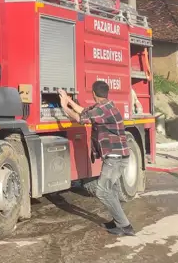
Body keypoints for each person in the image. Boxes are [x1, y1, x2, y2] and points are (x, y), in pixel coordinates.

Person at [58, 81, 135, 236]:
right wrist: (68, 100)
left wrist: (64, 107)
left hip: (115, 158)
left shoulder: (102, 110)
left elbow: (81, 119)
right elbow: (84, 111)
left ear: (93, 93)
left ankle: (125, 226)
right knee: (110, 190)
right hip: (116, 157)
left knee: (102, 191)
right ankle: (118, 221)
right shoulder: (105, 107)